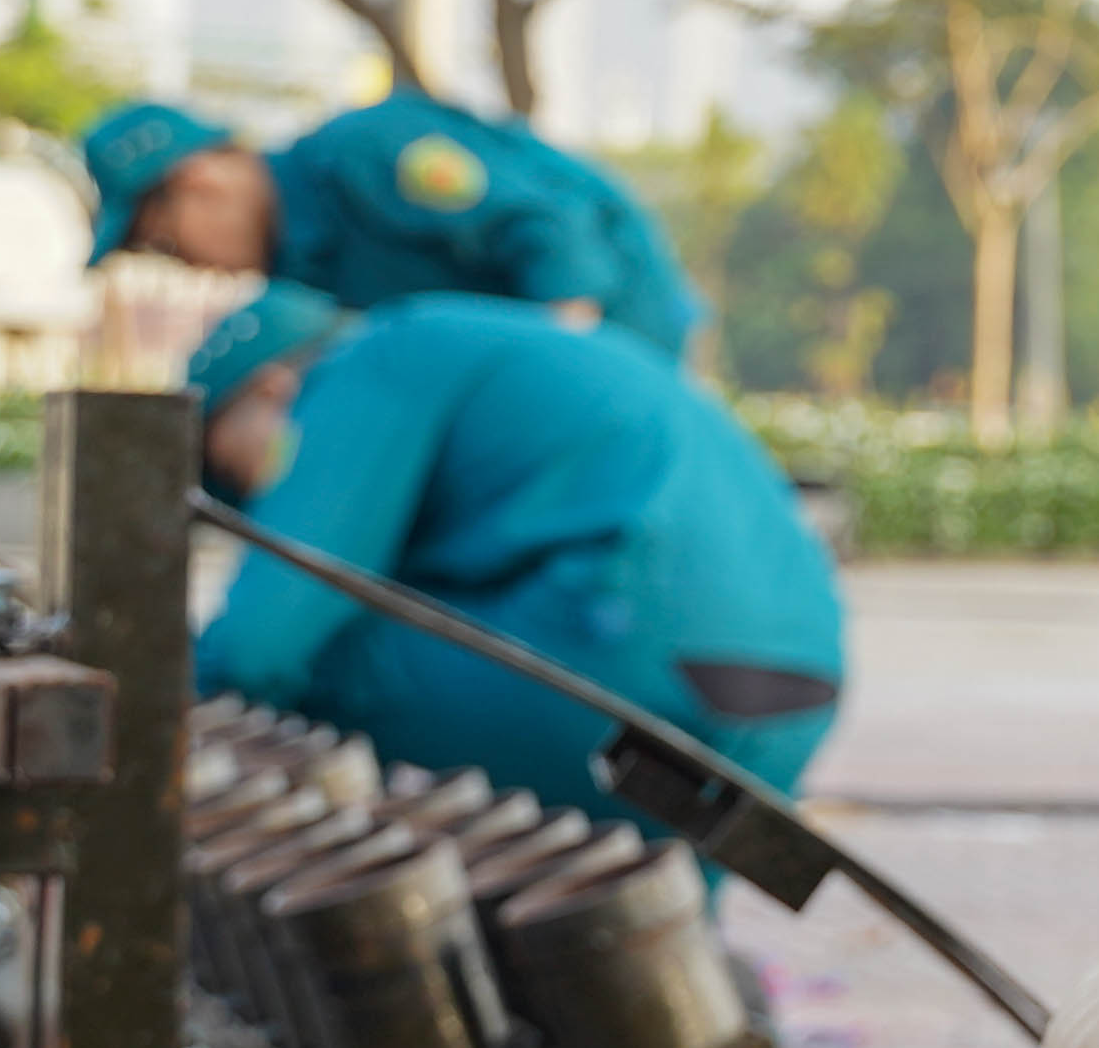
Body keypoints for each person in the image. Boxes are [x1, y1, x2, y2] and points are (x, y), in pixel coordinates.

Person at [192, 284, 842, 825]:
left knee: (317, 661)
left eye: (232, 468)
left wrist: (157, 715)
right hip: (791, 702)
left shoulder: (368, 364)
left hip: (644, 681)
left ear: (273, 389)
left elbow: (261, 645)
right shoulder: (479, 345)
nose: (256, 504)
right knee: (635, 930)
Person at [88, 92, 700, 358]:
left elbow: (550, 226)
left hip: (623, 336)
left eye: (164, 245)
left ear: (201, 181)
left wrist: (561, 380)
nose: (192, 268)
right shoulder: (304, 272)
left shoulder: (365, 155)